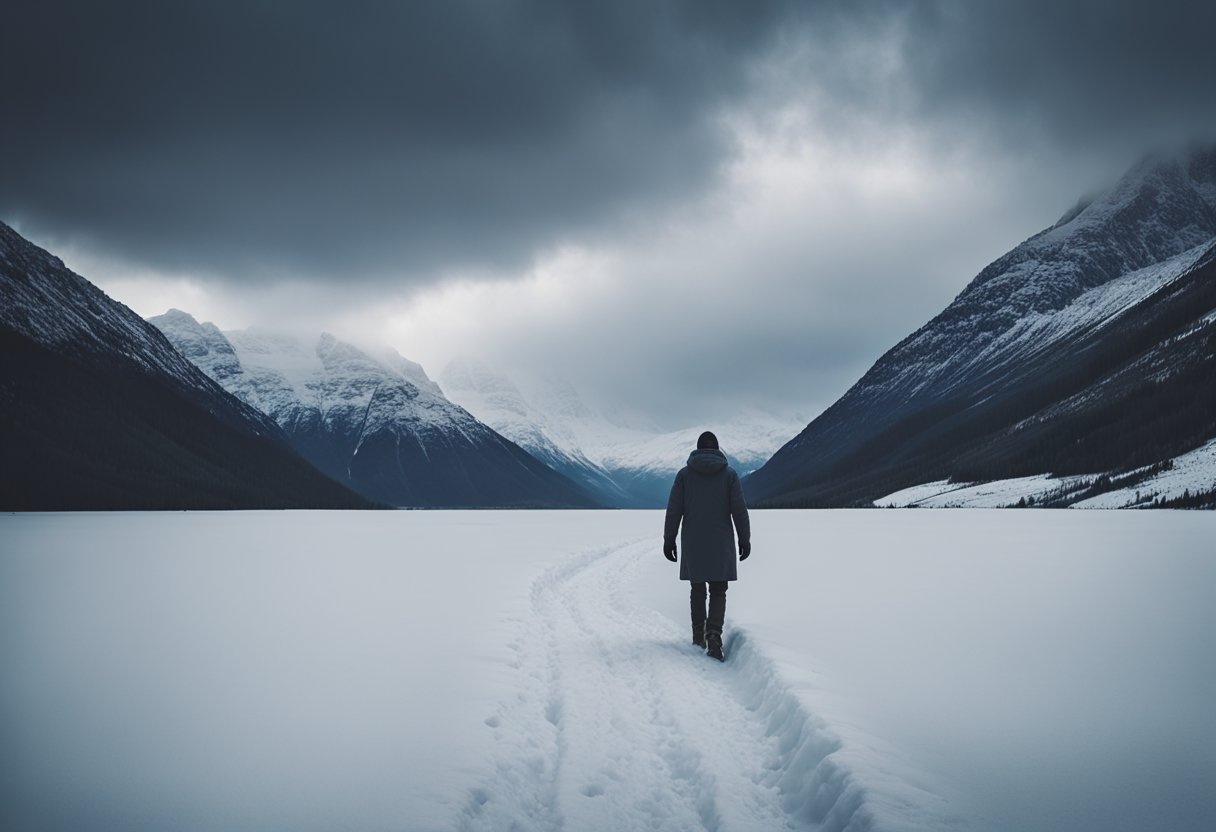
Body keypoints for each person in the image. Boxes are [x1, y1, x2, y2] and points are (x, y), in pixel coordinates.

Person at [663, 430, 751, 661]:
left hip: (693, 541)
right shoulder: (729, 475)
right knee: (719, 589)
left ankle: (698, 636)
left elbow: (674, 510)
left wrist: (669, 539)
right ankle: (714, 634)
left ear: (698, 448)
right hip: (720, 540)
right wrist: (745, 538)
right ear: (717, 449)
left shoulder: (684, 475)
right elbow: (739, 510)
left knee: (698, 589)